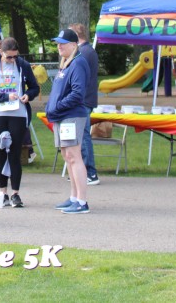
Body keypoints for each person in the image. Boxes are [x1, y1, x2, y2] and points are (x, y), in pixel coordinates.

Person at [0, 36, 40, 209]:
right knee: (0, 155)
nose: (12, 60)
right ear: (1, 52)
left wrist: (28, 95)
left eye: (15, 56)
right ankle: (3, 193)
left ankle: (15, 194)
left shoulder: (23, 65)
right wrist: (4, 97)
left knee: (14, 154)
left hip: (18, 114)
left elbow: (34, 87)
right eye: (9, 57)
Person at [46, 28, 92, 214]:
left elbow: (77, 93)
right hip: (62, 115)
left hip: (71, 115)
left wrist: (57, 106)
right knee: (67, 156)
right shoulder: (66, 63)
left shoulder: (78, 63)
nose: (59, 46)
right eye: (58, 43)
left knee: (74, 156)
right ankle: (74, 197)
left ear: (73, 45)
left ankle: (82, 201)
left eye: (63, 44)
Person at [69, 22, 101, 185]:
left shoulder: (83, 52)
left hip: (83, 100)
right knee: (81, 135)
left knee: (83, 135)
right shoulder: (88, 51)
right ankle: (82, 170)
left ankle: (89, 172)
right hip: (85, 98)